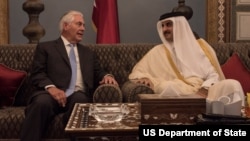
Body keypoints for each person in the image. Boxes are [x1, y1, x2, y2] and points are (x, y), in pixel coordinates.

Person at [20, 10, 118, 141]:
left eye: (83, 25)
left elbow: (98, 71)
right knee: (41, 103)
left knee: (81, 103)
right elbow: (38, 74)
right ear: (66, 26)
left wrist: (107, 76)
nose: (83, 28)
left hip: (77, 94)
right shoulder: (46, 48)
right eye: (79, 24)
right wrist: (52, 88)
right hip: (50, 94)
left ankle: (74, 131)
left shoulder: (88, 53)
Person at [129, 12, 245, 107]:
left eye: (169, 24)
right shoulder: (158, 51)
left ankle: (236, 125)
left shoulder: (200, 47)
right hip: (179, 90)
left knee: (232, 85)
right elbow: (138, 71)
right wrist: (144, 77)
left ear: (180, 26)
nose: (165, 29)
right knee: (167, 87)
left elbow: (213, 75)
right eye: (163, 26)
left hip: (204, 91)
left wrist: (204, 89)